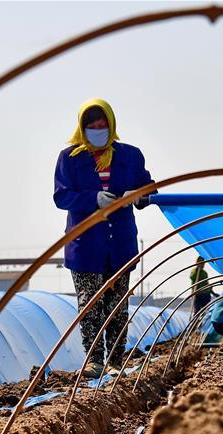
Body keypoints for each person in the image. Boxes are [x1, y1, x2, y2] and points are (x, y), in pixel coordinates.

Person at [54, 98, 154, 376]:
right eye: (92, 126)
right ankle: (95, 360)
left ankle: (116, 360)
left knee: (117, 305)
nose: (98, 130)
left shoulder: (130, 156)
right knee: (90, 303)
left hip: (119, 241)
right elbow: (61, 196)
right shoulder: (70, 158)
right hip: (85, 243)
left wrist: (135, 197)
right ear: (82, 128)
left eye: (102, 125)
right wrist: (92, 199)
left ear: (111, 125)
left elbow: (149, 188)